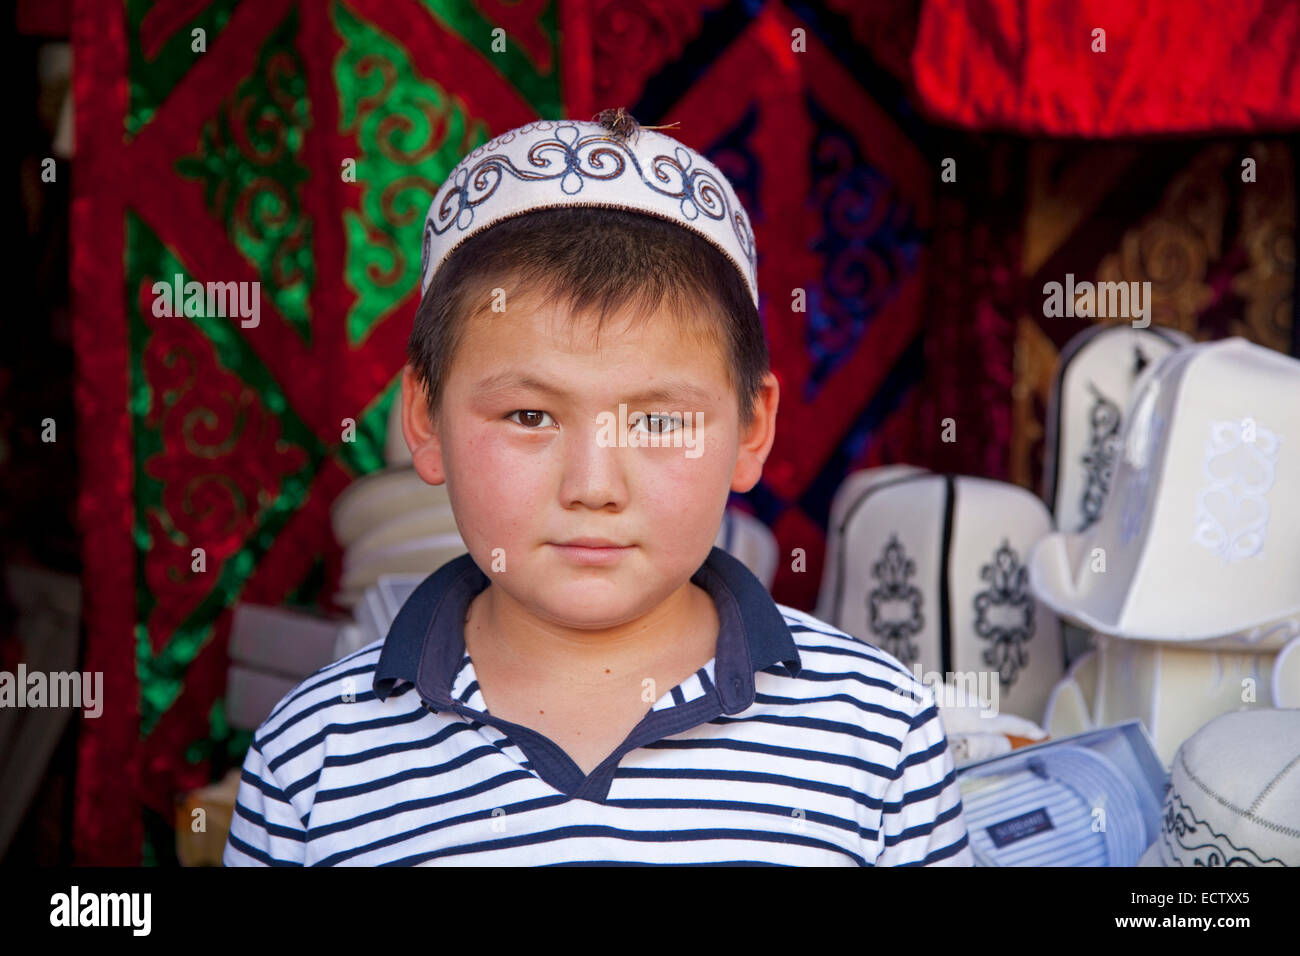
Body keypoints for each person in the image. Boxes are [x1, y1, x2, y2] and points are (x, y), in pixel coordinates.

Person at [223, 109, 974, 866]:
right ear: (425, 419)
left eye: (656, 422)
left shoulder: (877, 733)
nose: (593, 486)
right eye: (529, 415)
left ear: (752, 429)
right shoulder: (315, 754)